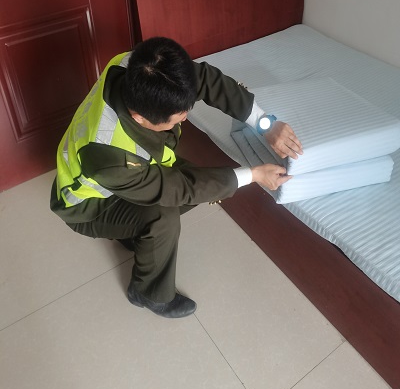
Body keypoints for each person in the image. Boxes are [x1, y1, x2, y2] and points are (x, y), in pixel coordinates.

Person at [50, 37, 302, 318]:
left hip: (128, 176)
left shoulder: (143, 67)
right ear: (140, 117)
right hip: (89, 205)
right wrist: (253, 174)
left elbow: (206, 79)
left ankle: (136, 234)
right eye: (177, 117)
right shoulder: (110, 155)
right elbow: (177, 188)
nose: (184, 120)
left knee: (198, 184)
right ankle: (148, 293)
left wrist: (265, 123)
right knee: (164, 215)